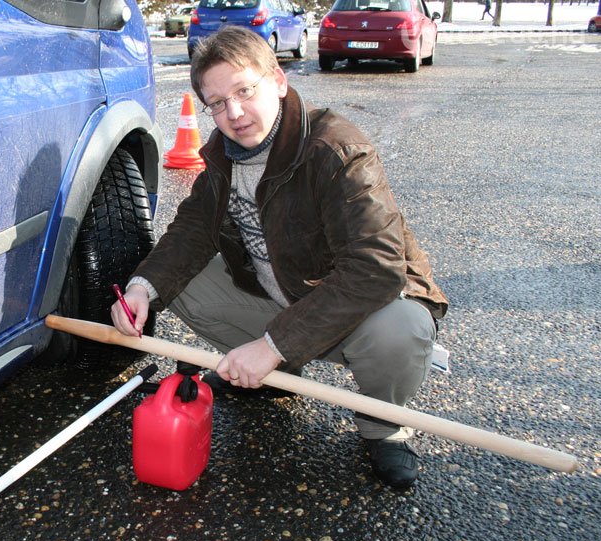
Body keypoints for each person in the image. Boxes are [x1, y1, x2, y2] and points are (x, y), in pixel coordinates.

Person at [110, 26, 448, 488]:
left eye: (244, 91)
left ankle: (382, 425)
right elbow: (190, 232)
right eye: (217, 102)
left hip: (355, 312)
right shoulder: (222, 159)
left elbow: (376, 269)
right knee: (178, 282)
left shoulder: (336, 150)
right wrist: (139, 290)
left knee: (401, 330)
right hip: (281, 298)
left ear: (278, 82)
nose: (234, 112)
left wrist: (272, 346)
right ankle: (275, 373)